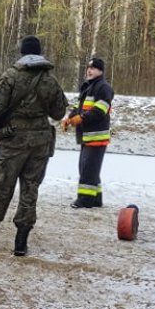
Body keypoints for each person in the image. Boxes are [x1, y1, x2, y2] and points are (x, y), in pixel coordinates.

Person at [0, 35, 68, 256]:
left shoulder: (10, 77)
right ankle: (21, 242)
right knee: (30, 189)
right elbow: (59, 113)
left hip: (14, 140)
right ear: (40, 54)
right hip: (41, 141)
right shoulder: (50, 80)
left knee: (2, 187)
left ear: (22, 53)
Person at [61, 56, 114, 208]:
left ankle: (84, 200)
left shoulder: (104, 88)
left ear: (101, 71)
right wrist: (69, 118)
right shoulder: (87, 87)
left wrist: (81, 118)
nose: (89, 70)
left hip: (97, 137)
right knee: (90, 169)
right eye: (88, 68)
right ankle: (96, 199)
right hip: (87, 136)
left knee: (88, 170)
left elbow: (99, 111)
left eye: (94, 68)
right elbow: (78, 108)